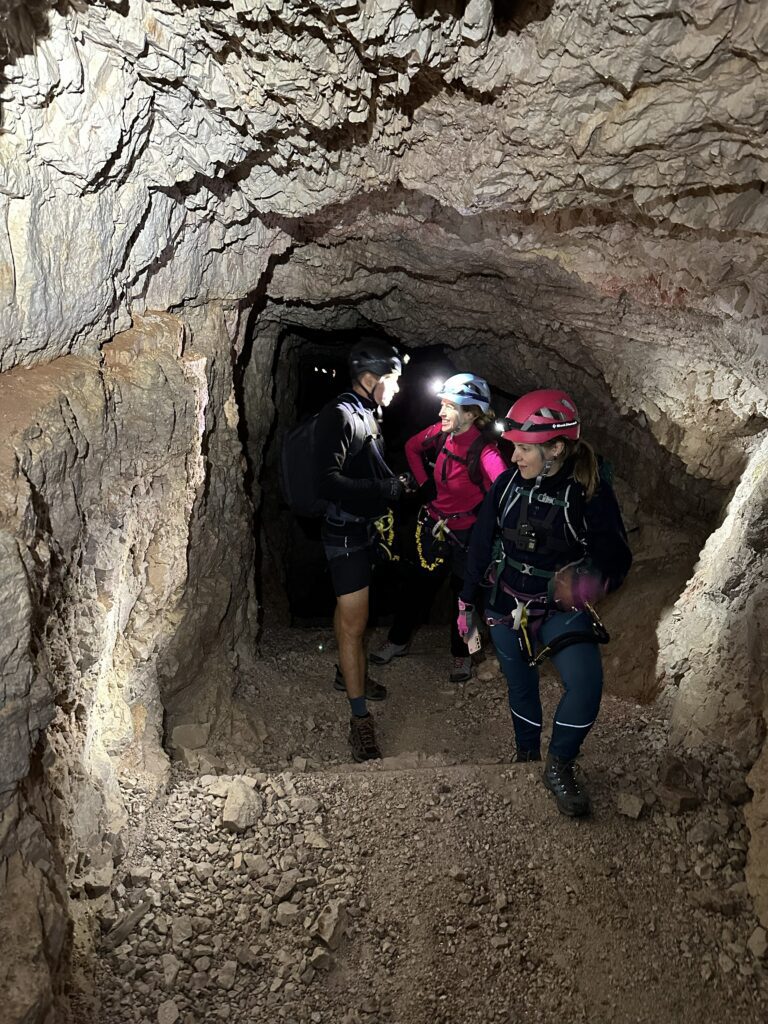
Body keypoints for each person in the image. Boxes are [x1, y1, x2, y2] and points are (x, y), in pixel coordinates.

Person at [457, 388, 632, 816]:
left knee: (586, 684)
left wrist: (587, 583)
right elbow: (480, 546)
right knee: (521, 686)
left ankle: (560, 763)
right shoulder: (507, 486)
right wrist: (464, 605)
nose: (513, 457)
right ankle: (527, 755)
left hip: (557, 609)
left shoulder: (587, 493)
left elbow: (616, 558)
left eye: (523, 448)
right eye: (513, 446)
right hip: (505, 603)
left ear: (555, 447)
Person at [371, 373, 508, 682]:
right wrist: (424, 485)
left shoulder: (484, 451)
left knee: (466, 597)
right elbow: (411, 447)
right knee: (417, 588)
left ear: (471, 414)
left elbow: (504, 486)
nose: (440, 413)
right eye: (442, 404)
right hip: (434, 527)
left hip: (468, 536)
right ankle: (398, 641)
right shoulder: (442, 434)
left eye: (449, 406)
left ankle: (465, 655)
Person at [314, 338, 407, 762]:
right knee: (356, 624)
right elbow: (327, 481)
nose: (398, 389)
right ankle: (360, 721)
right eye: (393, 380)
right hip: (345, 534)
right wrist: (380, 487)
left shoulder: (368, 412)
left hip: (363, 531)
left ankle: (345, 673)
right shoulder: (339, 417)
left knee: (349, 613)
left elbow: (364, 467)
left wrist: (389, 487)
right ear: (370, 379)